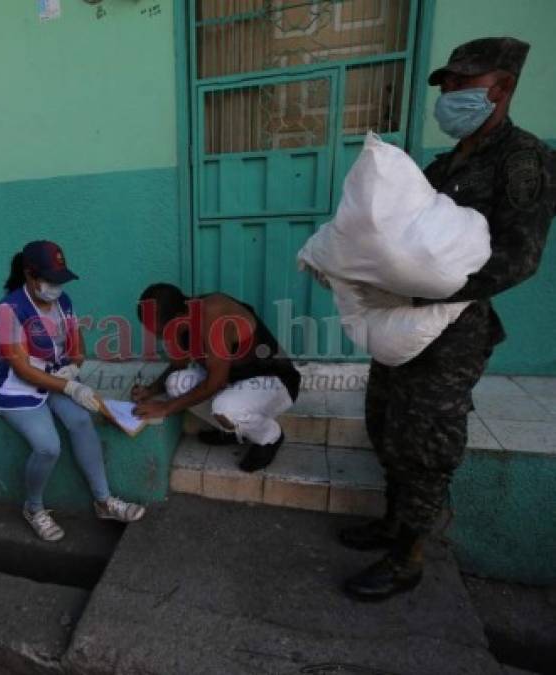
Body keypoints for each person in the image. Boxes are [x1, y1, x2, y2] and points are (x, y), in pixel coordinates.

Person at [337, 38, 554, 601]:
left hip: (453, 332)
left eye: (462, 83)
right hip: (404, 324)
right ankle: (390, 524)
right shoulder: (440, 164)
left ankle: (407, 556)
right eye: (447, 86)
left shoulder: (522, 159)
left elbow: (520, 256)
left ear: (501, 87)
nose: (450, 94)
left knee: (426, 444)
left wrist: (439, 286)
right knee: (386, 423)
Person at [0, 241, 145, 541]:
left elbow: (77, 342)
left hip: (55, 378)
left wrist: (74, 367)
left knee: (81, 421)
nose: (56, 287)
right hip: (19, 389)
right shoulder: (8, 311)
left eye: (60, 279)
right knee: (48, 447)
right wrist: (71, 387)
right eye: (50, 280)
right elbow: (22, 369)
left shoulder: (64, 302)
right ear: (29, 275)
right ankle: (33, 508)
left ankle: (103, 501)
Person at [131, 283, 301, 472]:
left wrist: (165, 408)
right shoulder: (182, 320)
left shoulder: (214, 313)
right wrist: (150, 390)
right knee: (174, 384)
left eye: (161, 332)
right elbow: (178, 365)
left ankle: (270, 437)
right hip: (234, 379)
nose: (160, 338)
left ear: (178, 317)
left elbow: (215, 383)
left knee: (224, 409)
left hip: (274, 382)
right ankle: (231, 430)